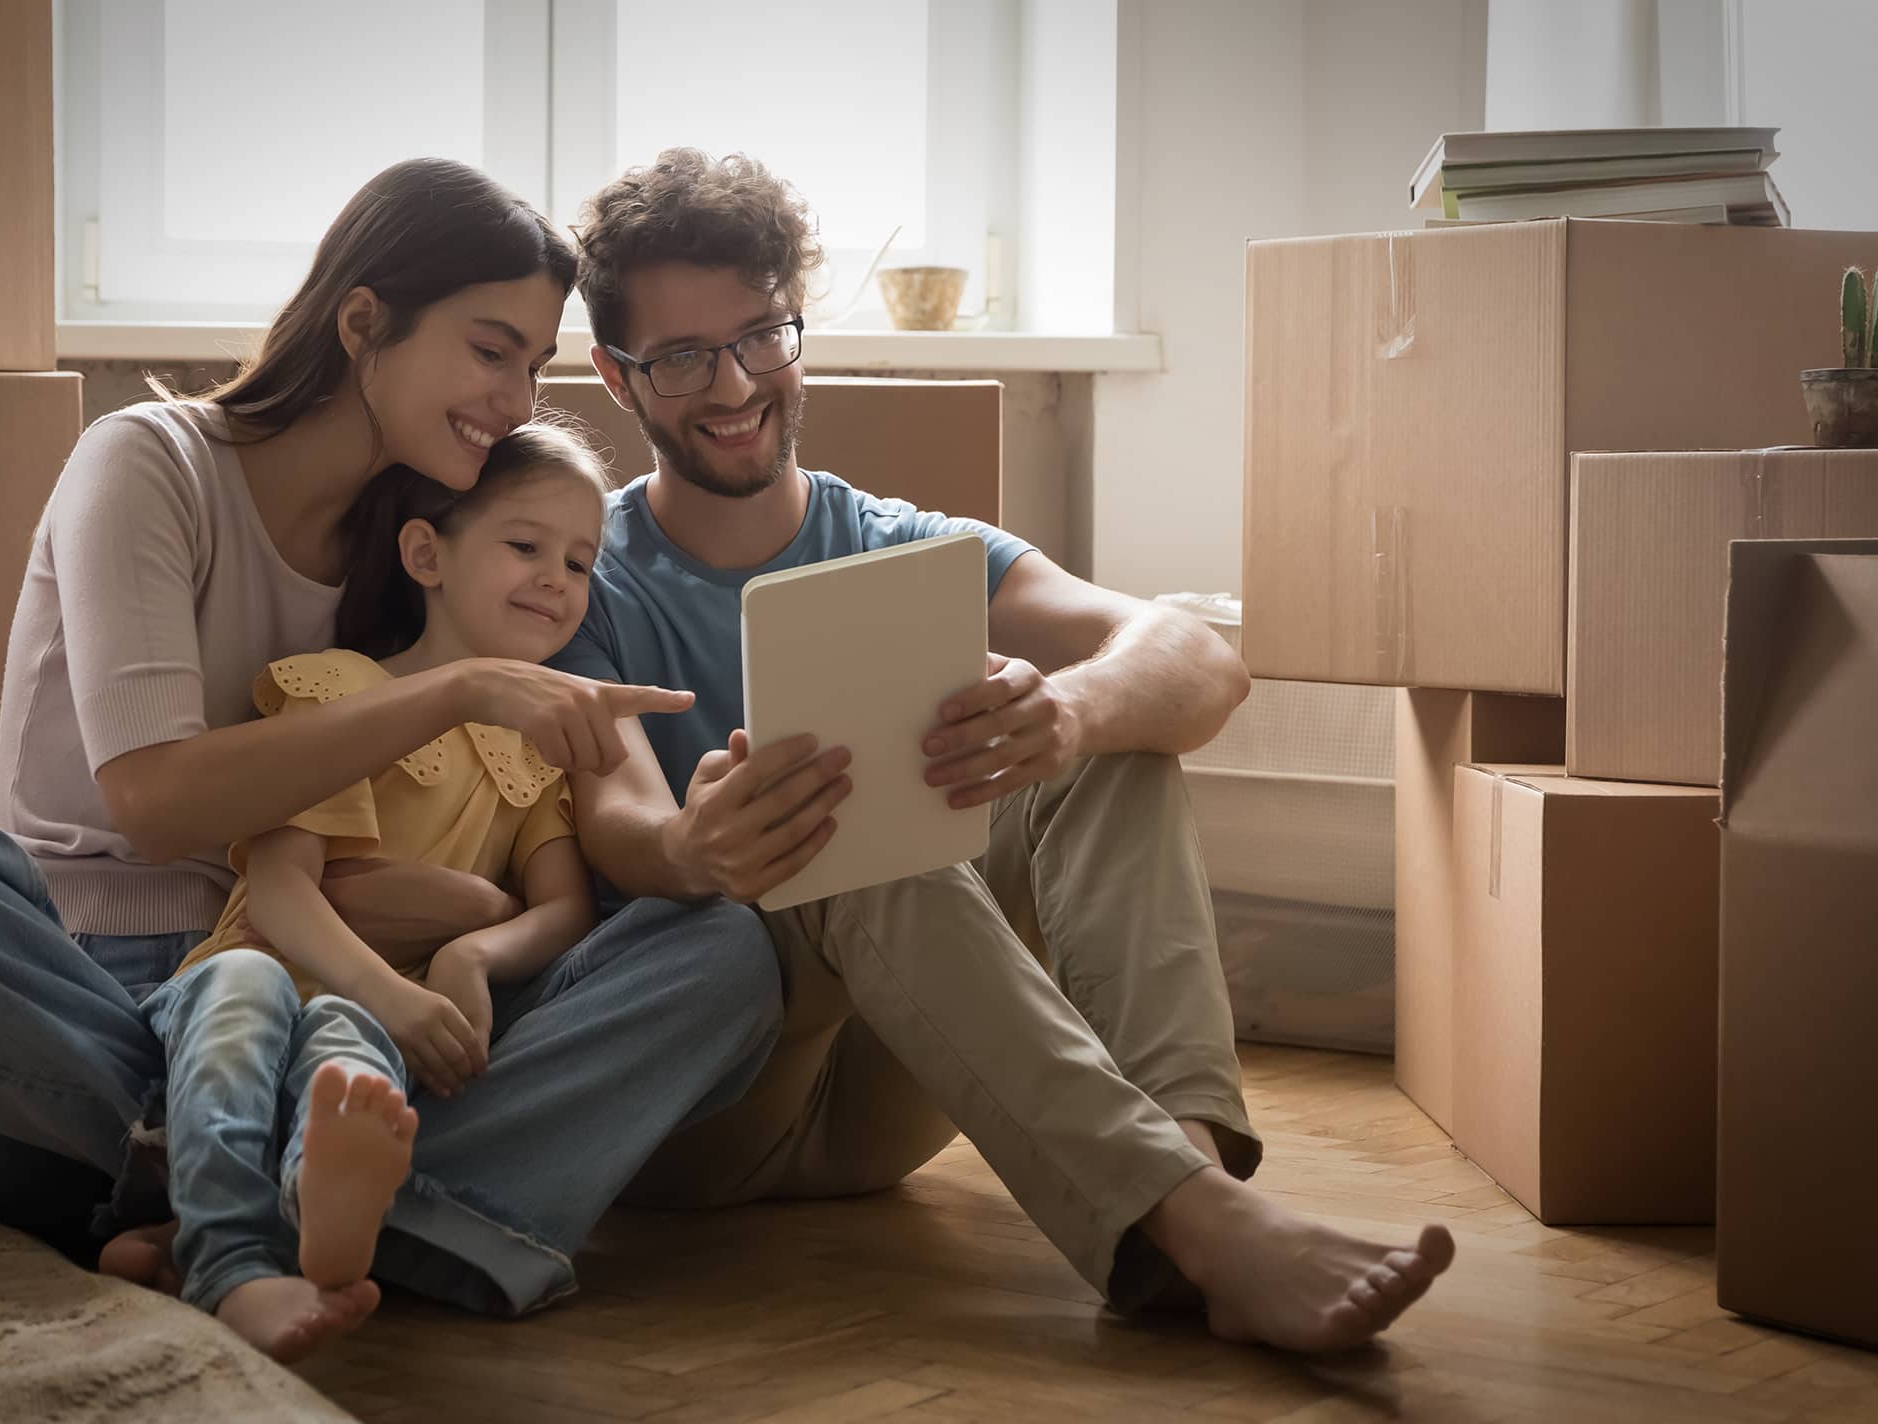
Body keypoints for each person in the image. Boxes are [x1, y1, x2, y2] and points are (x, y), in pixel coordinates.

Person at [547, 148, 1456, 1355]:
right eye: (683, 357)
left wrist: (1069, 714)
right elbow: (607, 819)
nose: (735, 385)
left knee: (1110, 737)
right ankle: (1192, 1224)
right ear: (617, 374)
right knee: (851, 830)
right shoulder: (577, 571)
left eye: (763, 336)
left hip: (891, 1087)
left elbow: (1195, 657)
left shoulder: (899, 542)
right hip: (701, 1103)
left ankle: (1192, 1197)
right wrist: (689, 842)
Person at [0, 159, 782, 1352]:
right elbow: (156, 802)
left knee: (717, 952)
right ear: (364, 321)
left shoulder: (419, 532)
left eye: (534, 366)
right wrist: (462, 693)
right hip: (87, 1003)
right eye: (491, 350)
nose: (518, 398)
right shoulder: (148, 463)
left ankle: (276, 1209)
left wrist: (470, 919)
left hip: (342, 1008)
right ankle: (272, 1187)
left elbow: (446, 843)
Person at [136, 425, 613, 1359]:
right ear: (426, 553)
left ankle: (310, 1221)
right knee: (253, 992)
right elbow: (278, 889)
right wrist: (396, 985)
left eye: (581, 562)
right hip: (246, 980)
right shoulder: (344, 697)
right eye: (525, 546)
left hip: (376, 1015)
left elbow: (569, 909)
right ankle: (229, 1264)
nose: (557, 578)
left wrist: (473, 950)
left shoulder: (538, 751)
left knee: (354, 1058)